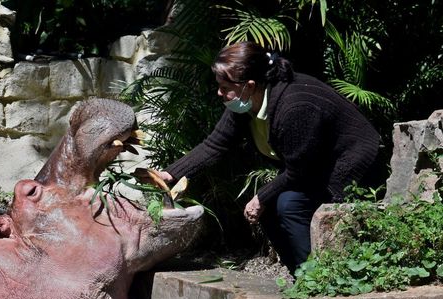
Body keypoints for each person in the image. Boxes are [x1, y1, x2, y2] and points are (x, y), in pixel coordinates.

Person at [154, 41, 380, 274]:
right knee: (271, 208)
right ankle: (300, 275)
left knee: (288, 205)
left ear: (249, 85)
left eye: (224, 86)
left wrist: (261, 196)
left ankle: (316, 278)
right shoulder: (243, 103)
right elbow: (215, 144)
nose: (219, 92)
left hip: (349, 164)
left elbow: (297, 171)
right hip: (311, 166)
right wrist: (169, 174)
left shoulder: (295, 106)